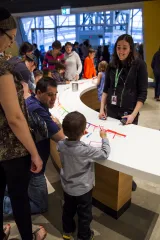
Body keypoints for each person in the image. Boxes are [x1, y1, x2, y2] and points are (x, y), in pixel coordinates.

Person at [0, 7, 46, 240]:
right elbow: (15, 118)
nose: (11, 43)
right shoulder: (2, 68)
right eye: (10, 37)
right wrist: (34, 153)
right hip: (11, 148)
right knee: (19, 198)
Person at [3, 77, 65, 216]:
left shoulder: (32, 101)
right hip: (34, 167)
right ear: (38, 92)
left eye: (55, 94)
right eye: (49, 94)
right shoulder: (37, 109)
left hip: (25, 163)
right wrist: (58, 124)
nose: (53, 98)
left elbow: (51, 123)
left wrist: (53, 122)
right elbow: (60, 137)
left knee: (13, 188)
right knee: (40, 205)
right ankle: (5, 206)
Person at [99, 34, 148, 191]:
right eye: (118, 47)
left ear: (131, 48)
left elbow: (143, 93)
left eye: (125, 48)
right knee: (112, 145)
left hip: (129, 114)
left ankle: (127, 179)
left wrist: (133, 115)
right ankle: (114, 178)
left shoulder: (140, 65)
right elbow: (106, 89)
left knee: (127, 148)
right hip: (112, 111)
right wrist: (101, 109)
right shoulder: (112, 65)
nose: (121, 51)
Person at [58, 111, 110, 240]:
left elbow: (66, 143)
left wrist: (76, 136)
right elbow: (104, 154)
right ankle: (84, 236)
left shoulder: (60, 145)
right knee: (84, 214)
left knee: (68, 210)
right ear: (83, 132)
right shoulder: (86, 150)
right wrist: (104, 137)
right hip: (83, 189)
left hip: (68, 187)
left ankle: (67, 232)